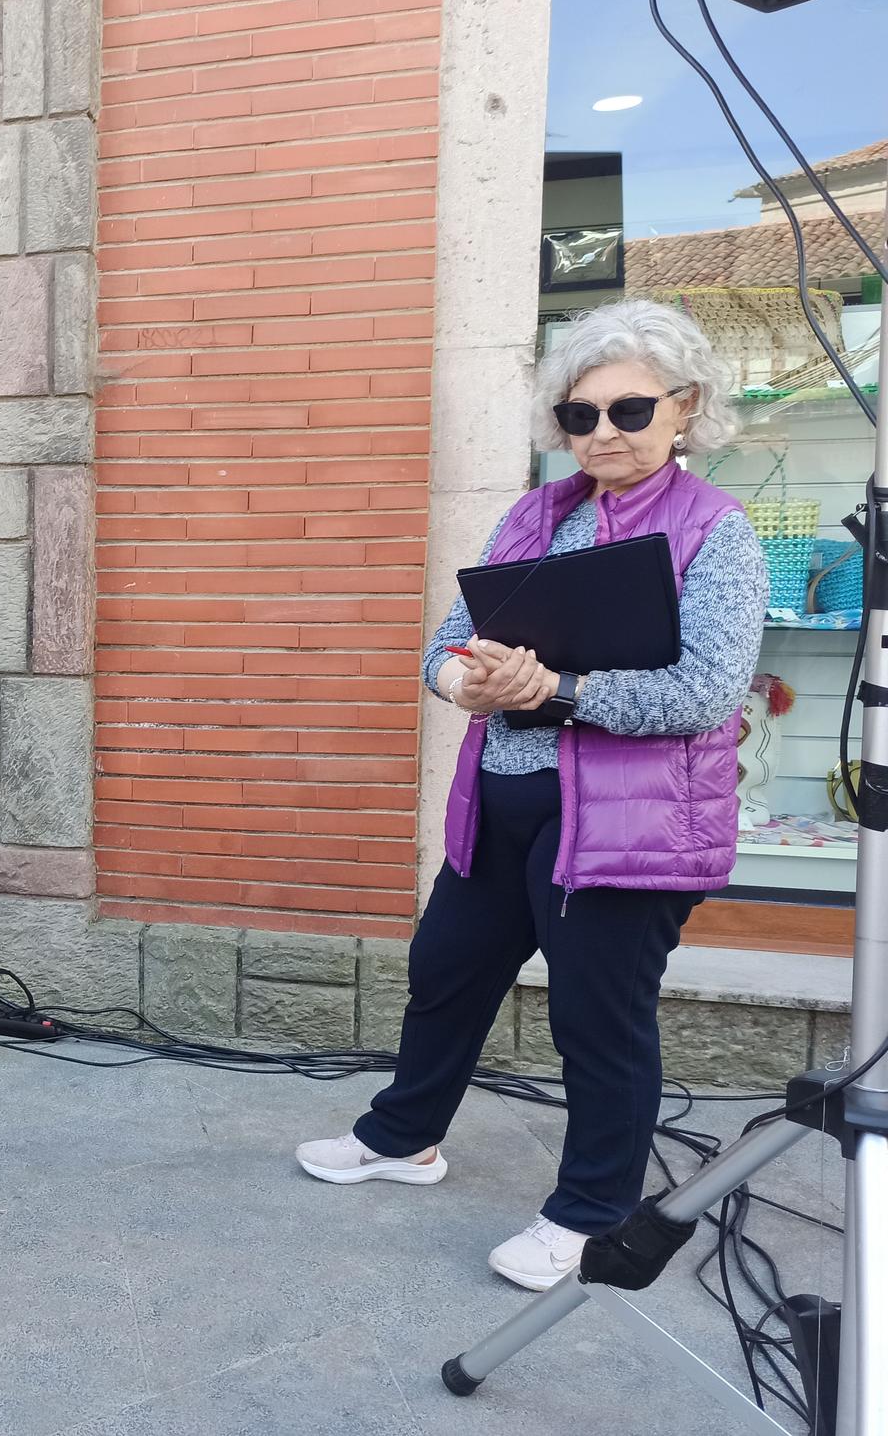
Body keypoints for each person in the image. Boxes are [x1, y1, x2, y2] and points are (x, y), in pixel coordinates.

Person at [296, 298, 769, 1291]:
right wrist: (458, 680)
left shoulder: (713, 531)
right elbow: (446, 641)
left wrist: (556, 691)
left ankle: (592, 1211)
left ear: (683, 408)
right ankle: (403, 1135)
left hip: (625, 824)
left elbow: (704, 693)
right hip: (502, 802)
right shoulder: (532, 512)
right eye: (577, 414)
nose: (600, 433)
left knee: (597, 1017)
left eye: (628, 410)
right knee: (444, 970)